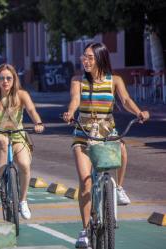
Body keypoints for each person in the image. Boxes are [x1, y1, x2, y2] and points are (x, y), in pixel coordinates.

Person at [62, 42, 149, 248]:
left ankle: (118, 188)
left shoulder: (114, 80)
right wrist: (70, 112)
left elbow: (125, 100)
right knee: (85, 183)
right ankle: (84, 230)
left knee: (121, 147)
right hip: (83, 134)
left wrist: (138, 112)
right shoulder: (78, 80)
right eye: (84, 57)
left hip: (107, 131)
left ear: (100, 59)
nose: (85, 60)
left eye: (90, 57)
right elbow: (75, 99)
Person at [0, 63, 44, 220]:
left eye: (8, 78)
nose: (5, 81)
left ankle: (22, 201)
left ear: (14, 79)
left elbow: (31, 111)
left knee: (24, 165)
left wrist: (38, 123)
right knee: (2, 141)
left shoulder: (22, 95)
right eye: (1, 78)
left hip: (18, 135)